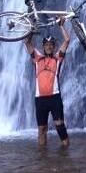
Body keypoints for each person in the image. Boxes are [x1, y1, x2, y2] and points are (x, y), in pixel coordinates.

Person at [24, 17, 70, 147]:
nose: (49, 47)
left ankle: (66, 156)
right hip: (40, 99)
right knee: (41, 130)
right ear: (43, 47)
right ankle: (42, 159)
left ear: (53, 47)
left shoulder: (57, 59)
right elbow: (27, 42)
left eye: (51, 45)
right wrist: (31, 27)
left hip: (54, 97)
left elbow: (67, 40)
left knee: (60, 127)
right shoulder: (37, 58)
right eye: (46, 45)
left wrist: (61, 26)